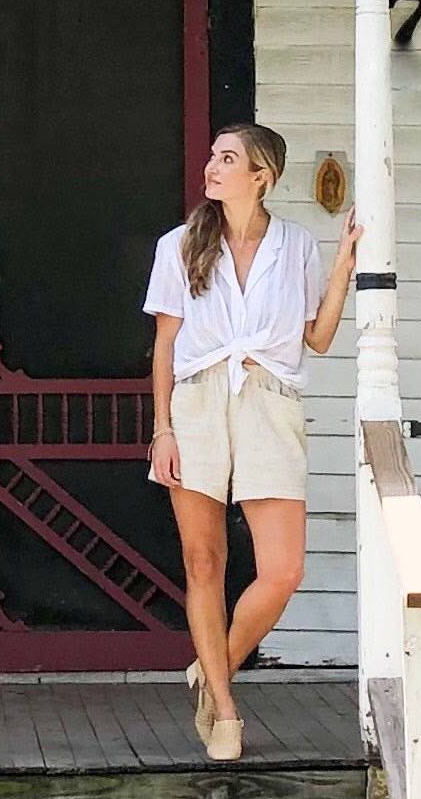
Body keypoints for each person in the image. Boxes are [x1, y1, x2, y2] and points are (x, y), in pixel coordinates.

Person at [144, 120, 358, 760]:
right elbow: (164, 346)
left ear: (261, 176)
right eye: (213, 155)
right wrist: (163, 428)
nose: (211, 166)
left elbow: (315, 338)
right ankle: (226, 712)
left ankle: (214, 670)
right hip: (199, 400)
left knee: (283, 570)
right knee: (204, 563)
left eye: (227, 158)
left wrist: (344, 263)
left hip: (269, 400)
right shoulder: (180, 245)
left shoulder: (294, 245)